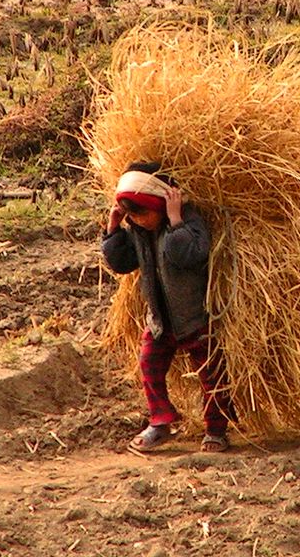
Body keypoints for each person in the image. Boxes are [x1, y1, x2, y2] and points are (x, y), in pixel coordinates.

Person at [101, 161, 235, 453]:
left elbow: (191, 254)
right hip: (160, 320)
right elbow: (122, 264)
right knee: (149, 364)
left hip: (195, 318)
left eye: (143, 213)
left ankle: (216, 430)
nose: (137, 221)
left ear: (163, 203)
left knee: (211, 374)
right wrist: (113, 230)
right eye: (131, 216)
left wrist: (175, 222)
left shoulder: (188, 220)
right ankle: (161, 420)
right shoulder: (138, 231)